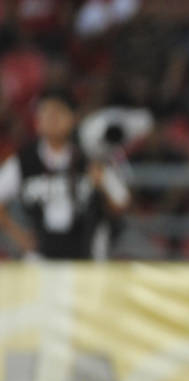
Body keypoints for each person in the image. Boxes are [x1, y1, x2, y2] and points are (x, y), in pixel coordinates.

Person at [0, 89, 130, 260]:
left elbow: (121, 204)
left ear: (73, 118)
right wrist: (19, 236)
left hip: (86, 258)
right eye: (46, 113)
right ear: (37, 121)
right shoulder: (24, 161)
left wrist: (103, 185)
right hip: (40, 258)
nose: (52, 119)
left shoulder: (90, 157)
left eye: (58, 113)